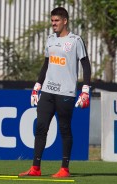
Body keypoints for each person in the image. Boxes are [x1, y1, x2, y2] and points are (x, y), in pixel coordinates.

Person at [19, 7, 91, 178]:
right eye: (52, 21)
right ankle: (35, 168)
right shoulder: (50, 39)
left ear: (65, 21)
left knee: (65, 129)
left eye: (56, 21)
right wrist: (37, 85)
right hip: (47, 91)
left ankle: (64, 168)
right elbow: (46, 64)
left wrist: (86, 90)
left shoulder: (75, 40)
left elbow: (86, 65)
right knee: (41, 127)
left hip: (66, 92)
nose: (53, 24)